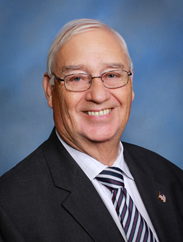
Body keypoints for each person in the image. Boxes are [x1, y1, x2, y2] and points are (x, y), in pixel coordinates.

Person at [0, 18, 183, 242]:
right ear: (50, 91)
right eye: (76, 78)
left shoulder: (171, 178)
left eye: (112, 75)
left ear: (131, 85)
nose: (98, 95)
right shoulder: (9, 208)